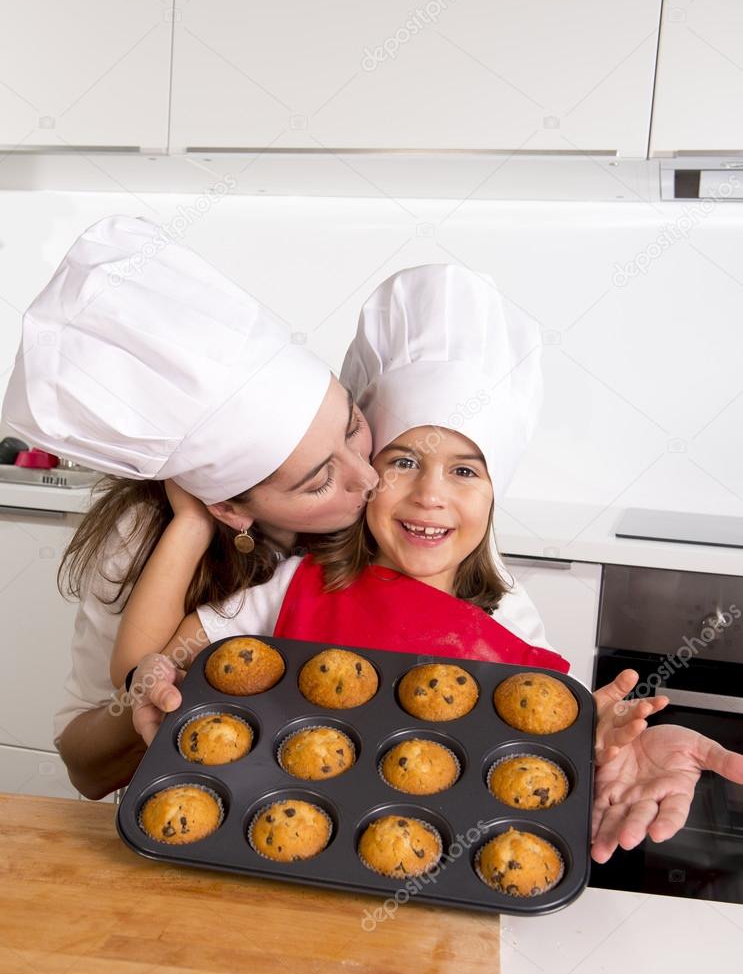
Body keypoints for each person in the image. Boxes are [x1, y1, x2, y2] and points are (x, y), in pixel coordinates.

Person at [115, 265, 726, 867]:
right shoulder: (294, 583)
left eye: (464, 471)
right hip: (276, 847)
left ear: (493, 494)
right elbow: (159, 660)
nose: (430, 495)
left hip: (440, 869)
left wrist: (600, 751)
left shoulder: (509, 615)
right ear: (364, 475)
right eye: (403, 462)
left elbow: (540, 745)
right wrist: (162, 651)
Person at [1, 222, 548, 799]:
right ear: (233, 508)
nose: (368, 479)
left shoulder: (427, 538)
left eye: (353, 428)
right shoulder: (168, 547)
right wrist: (187, 536)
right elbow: (94, 754)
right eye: (320, 482)